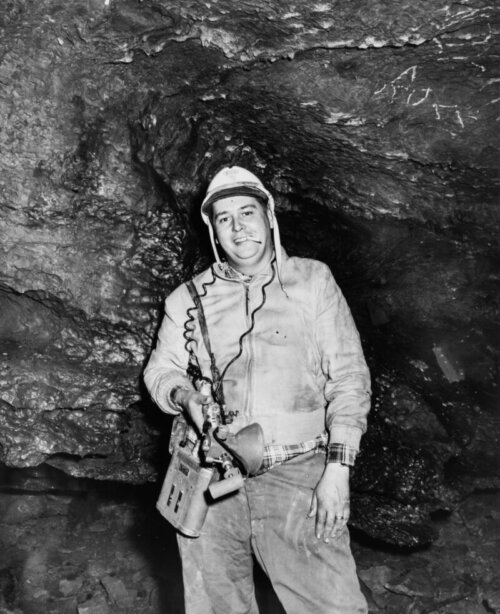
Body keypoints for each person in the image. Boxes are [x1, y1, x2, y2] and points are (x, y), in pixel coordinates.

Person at [144, 166, 371, 614]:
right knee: (216, 605)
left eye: (247, 212)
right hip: (210, 476)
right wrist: (184, 396)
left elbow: (349, 378)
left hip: (299, 475)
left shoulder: (313, 282)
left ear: (269, 217)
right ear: (212, 229)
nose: (238, 227)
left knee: (332, 605)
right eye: (224, 218)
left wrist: (338, 470)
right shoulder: (186, 299)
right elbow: (160, 371)